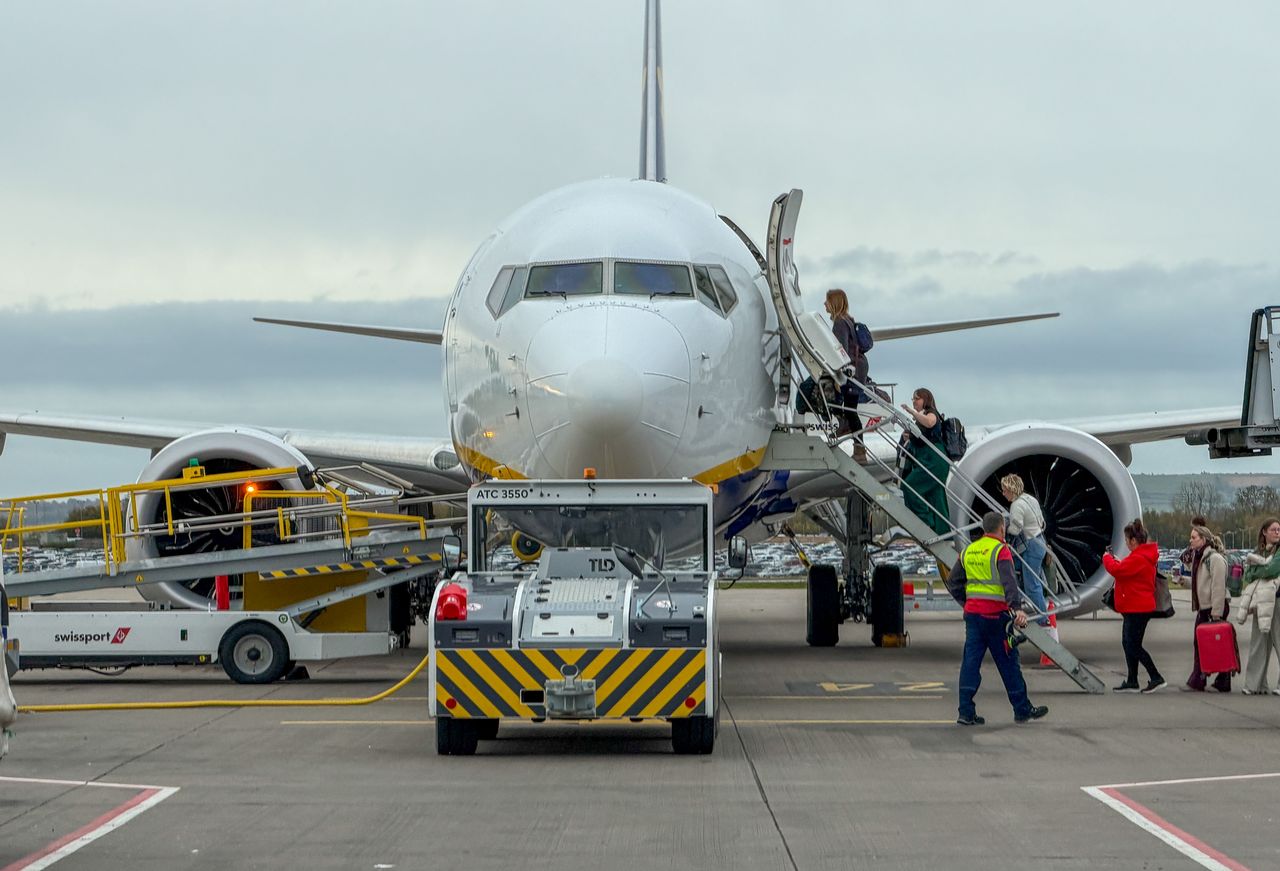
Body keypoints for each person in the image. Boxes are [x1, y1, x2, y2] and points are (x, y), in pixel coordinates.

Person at [944, 511, 1048, 725]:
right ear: (1001, 529)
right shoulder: (1001, 550)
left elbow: (953, 582)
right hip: (995, 617)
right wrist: (1017, 609)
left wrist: (968, 603)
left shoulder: (968, 550)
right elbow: (1009, 583)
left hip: (973, 617)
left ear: (984, 528)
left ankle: (965, 712)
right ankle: (1022, 709)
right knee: (1009, 664)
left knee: (970, 663)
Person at [1102, 519, 1166, 693]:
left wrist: (1107, 558)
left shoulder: (1139, 558)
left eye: (1126, 540)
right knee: (1128, 643)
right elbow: (1126, 569)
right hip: (1135, 607)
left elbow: (1118, 571)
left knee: (1132, 645)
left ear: (1133, 540)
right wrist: (1117, 561)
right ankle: (1132, 679)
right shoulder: (1142, 557)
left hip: (1138, 608)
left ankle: (1155, 676)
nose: (1125, 542)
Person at [1184, 523, 1231, 692]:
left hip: (1213, 607)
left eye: (1194, 537)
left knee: (1205, 644)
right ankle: (1219, 679)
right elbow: (1202, 584)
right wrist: (1185, 581)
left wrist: (1216, 613)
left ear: (1203, 539)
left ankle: (1201, 678)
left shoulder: (1215, 559)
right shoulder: (1200, 558)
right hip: (1205, 607)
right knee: (1205, 644)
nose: (1191, 540)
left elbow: (1218, 587)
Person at [824, 289, 871, 456]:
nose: (824, 304)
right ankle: (851, 436)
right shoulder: (848, 320)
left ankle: (859, 449)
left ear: (834, 303)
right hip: (859, 367)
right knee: (850, 408)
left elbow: (841, 350)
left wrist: (838, 376)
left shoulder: (839, 323)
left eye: (827, 301)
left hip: (852, 369)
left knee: (848, 408)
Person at [899, 388, 951, 536]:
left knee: (910, 486)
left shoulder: (931, 413)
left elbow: (930, 423)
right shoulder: (920, 417)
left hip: (933, 460)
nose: (914, 401)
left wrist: (911, 412)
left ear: (925, 400)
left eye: (917, 398)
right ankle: (943, 533)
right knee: (936, 497)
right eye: (912, 399)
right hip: (929, 459)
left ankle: (925, 522)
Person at [1001, 474, 1049, 626]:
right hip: (1040, 540)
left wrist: (1004, 528)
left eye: (1004, 490)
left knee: (1032, 585)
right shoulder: (1030, 498)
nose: (1003, 493)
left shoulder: (1016, 505)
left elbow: (1016, 529)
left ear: (1011, 489)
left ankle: (1043, 620)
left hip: (1031, 546)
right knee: (1022, 573)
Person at [1239, 517, 1280, 695]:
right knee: (1258, 642)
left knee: (1279, 640)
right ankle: (1255, 684)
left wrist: (1258, 570)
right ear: (1264, 532)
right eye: (1273, 530)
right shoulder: (1258, 551)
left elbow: (1272, 570)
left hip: (1277, 600)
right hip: (1261, 601)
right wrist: (1258, 570)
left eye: (1279, 530)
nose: (1277, 532)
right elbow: (1247, 573)